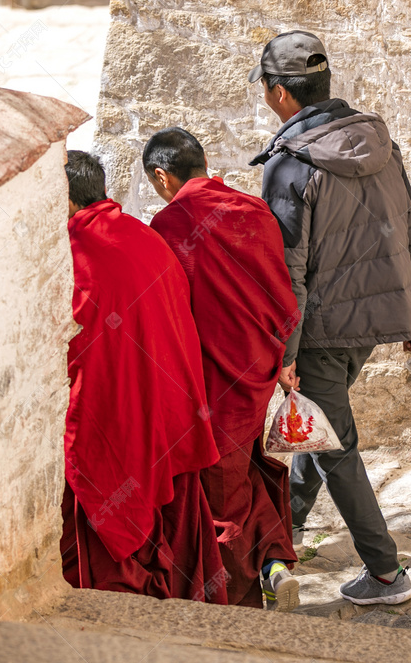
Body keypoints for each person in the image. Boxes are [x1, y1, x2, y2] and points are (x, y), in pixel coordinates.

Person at [248, 30, 411, 606]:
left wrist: (283, 354)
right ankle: (293, 524)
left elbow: (289, 271)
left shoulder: (290, 165)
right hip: (381, 316)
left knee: (335, 445)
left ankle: (385, 573)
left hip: (323, 329)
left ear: (280, 93)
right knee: (321, 423)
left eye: (265, 88)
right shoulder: (378, 141)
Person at [143, 128, 301, 611]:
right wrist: (285, 358)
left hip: (210, 379)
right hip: (257, 368)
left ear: (161, 176)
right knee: (244, 467)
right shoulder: (253, 210)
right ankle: (274, 561)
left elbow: (169, 311)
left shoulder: (169, 225)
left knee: (219, 489)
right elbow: (284, 292)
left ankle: (234, 600)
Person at [61, 150, 227, 603]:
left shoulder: (72, 249)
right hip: (168, 402)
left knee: (105, 497)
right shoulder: (139, 232)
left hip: (116, 406)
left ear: (67, 203)